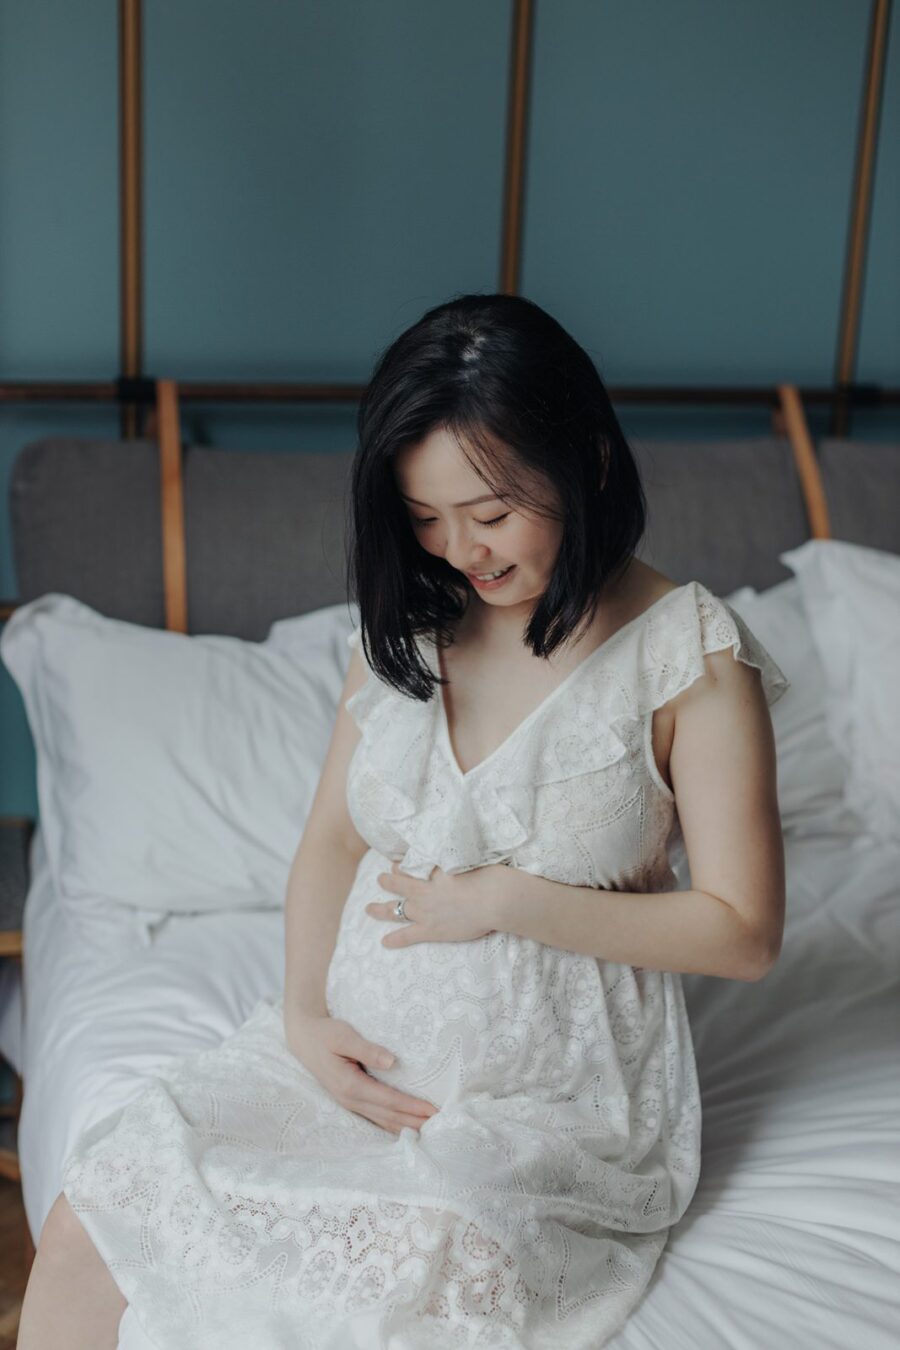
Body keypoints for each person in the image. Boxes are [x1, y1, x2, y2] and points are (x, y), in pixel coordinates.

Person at [18, 293, 790, 1349]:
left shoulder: (686, 653)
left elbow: (742, 931)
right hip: (347, 1058)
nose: (461, 548)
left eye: (491, 511)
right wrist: (301, 1018)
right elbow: (332, 840)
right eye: (425, 518)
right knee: (97, 1205)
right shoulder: (416, 621)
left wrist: (510, 902)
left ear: (591, 465)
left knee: (405, 1280)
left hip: (542, 1103)